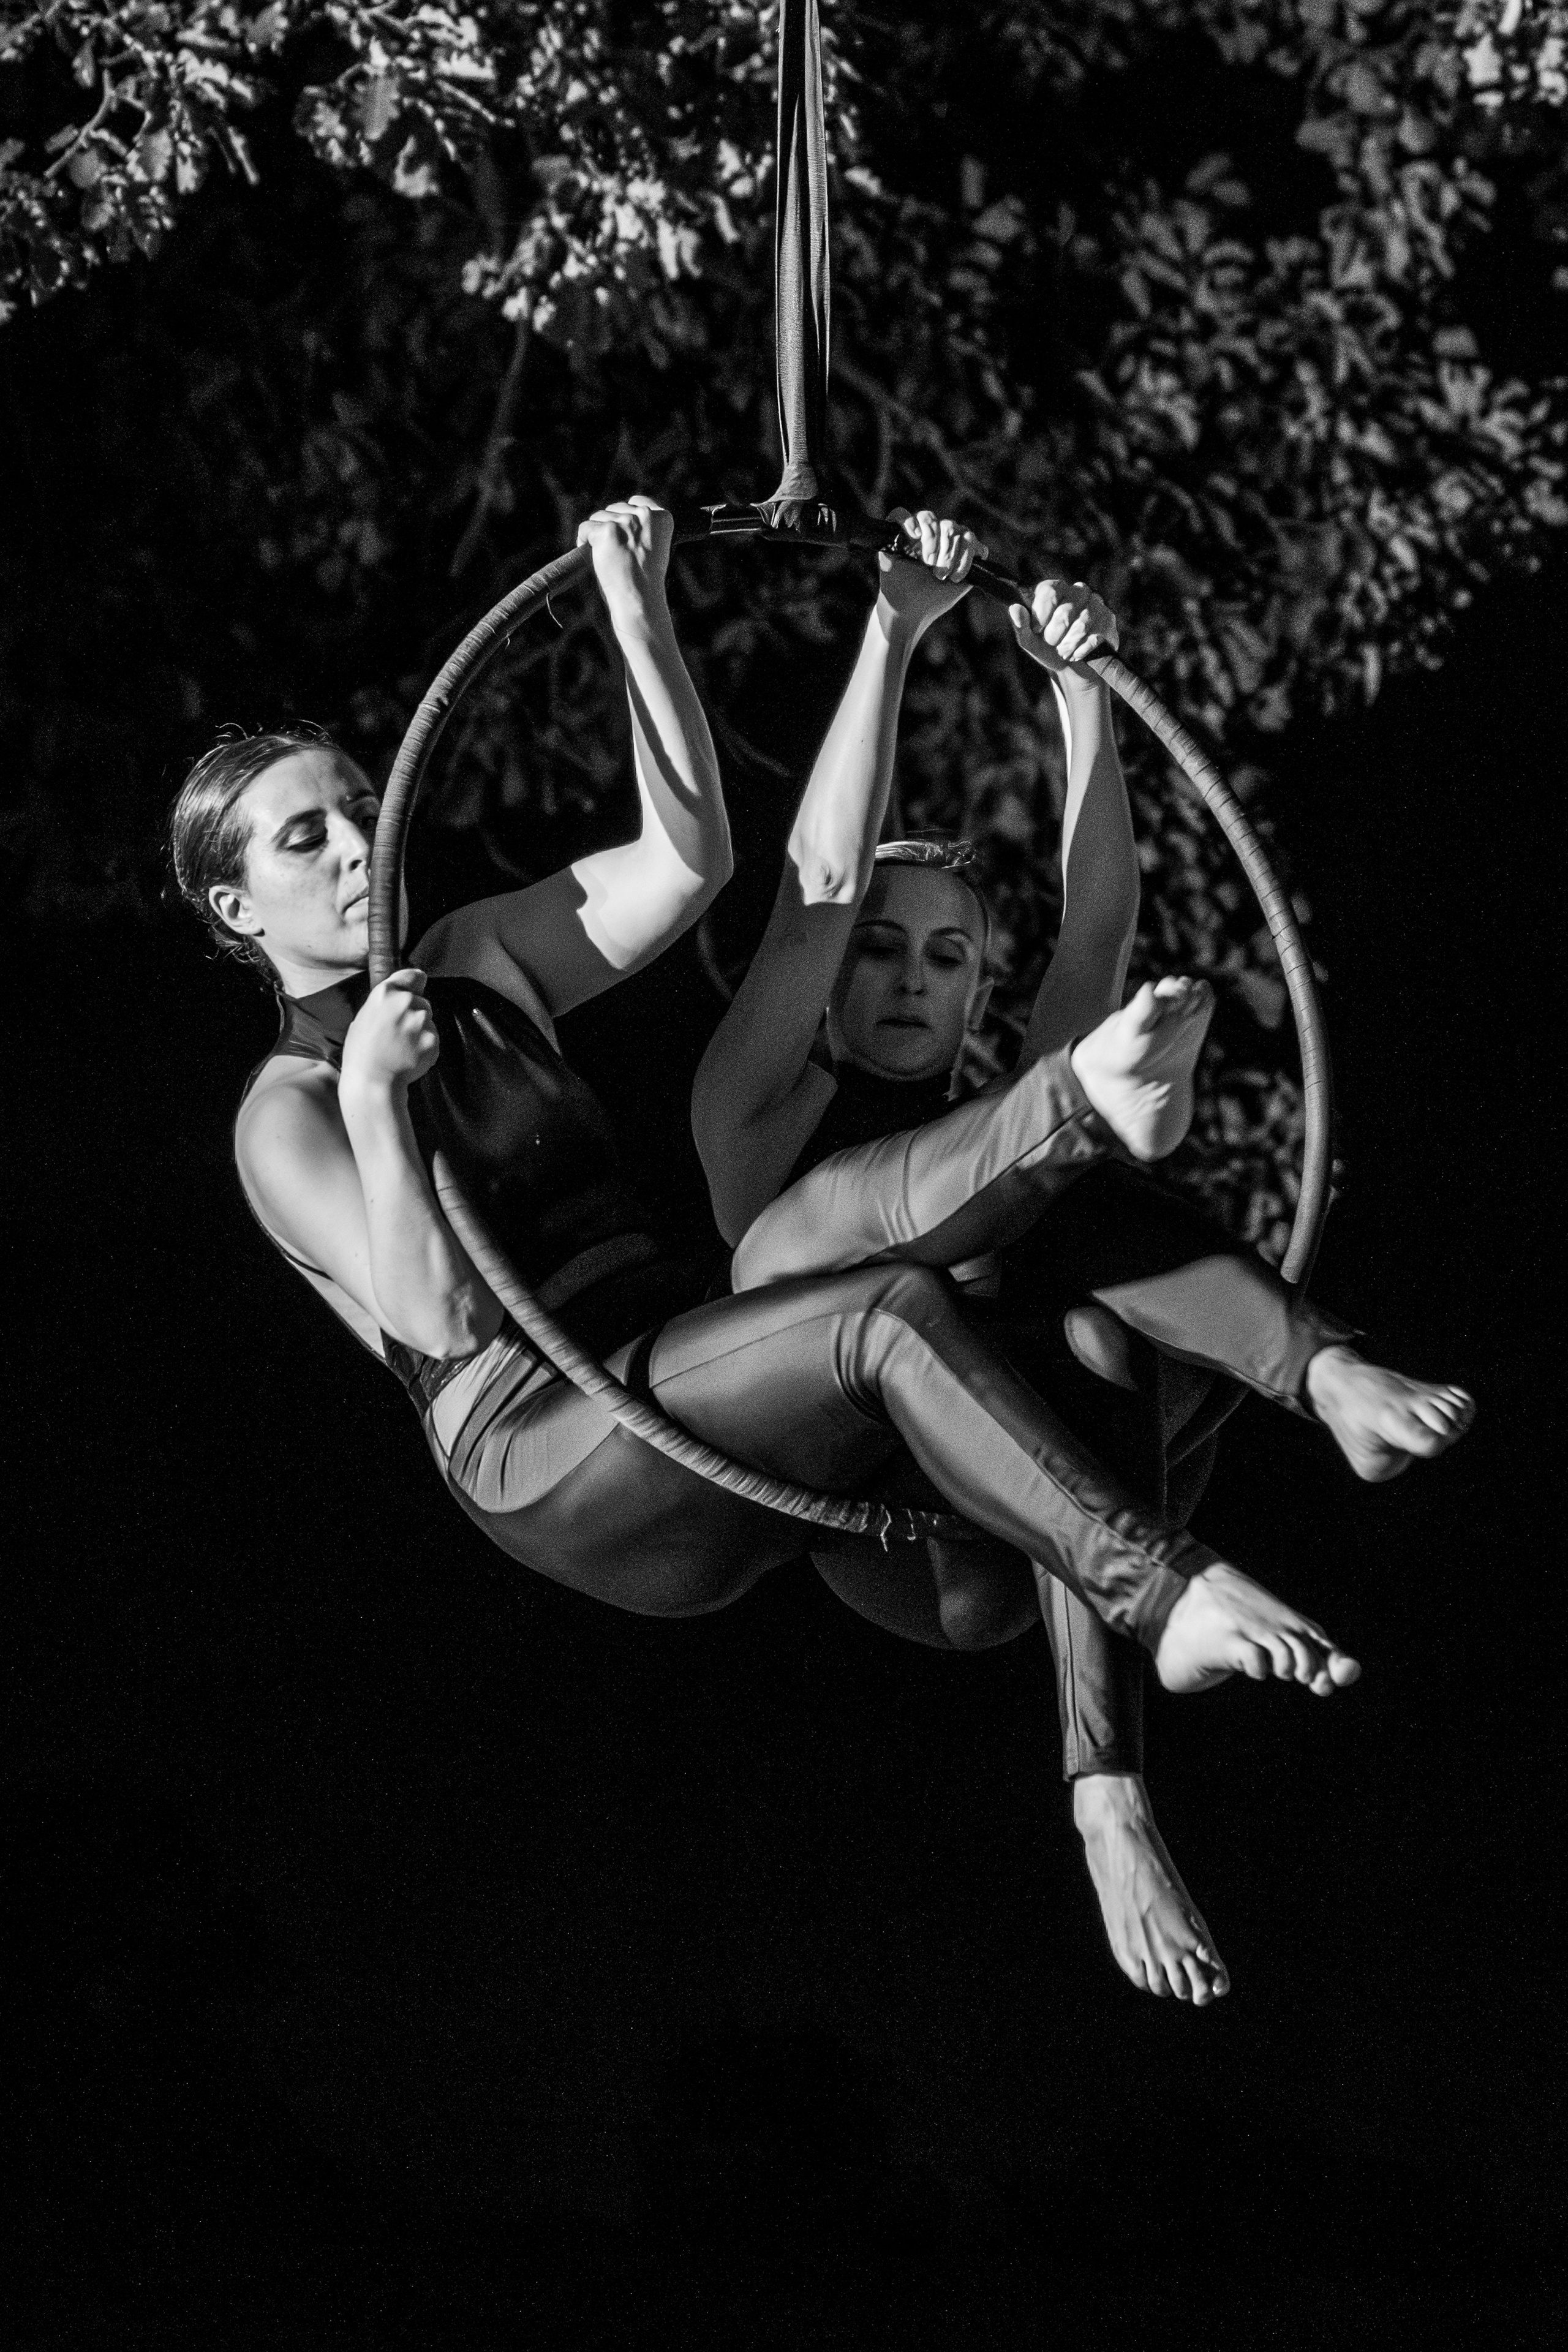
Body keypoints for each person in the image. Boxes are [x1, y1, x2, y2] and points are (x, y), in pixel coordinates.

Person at [172, 496, 1365, 2011]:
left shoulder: (470, 953)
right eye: (308, 837)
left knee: (1064, 1323)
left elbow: (693, 860)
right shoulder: (284, 1110)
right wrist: (370, 1099)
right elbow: (432, 1306)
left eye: (360, 805)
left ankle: (1225, 1478)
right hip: (546, 1444)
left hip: (680, 1366)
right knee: (883, 1307)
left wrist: (635, 611)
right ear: (238, 905)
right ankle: (1155, 1605)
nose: (360, 844)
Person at [692, 508, 1473, 2001]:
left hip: (1012, 1539)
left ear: (981, 984)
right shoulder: (760, 1095)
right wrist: (896, 626)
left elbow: (1095, 922)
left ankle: (1112, 1780)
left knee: (1069, 1275)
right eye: (885, 949)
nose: (910, 973)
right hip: (864, 1495)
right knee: (968, 1191)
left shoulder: (999, 1107)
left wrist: (1079, 696)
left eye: (949, 957)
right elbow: (815, 885)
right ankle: (1281, 1338)